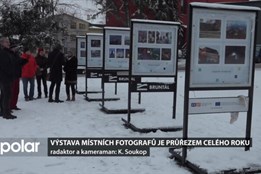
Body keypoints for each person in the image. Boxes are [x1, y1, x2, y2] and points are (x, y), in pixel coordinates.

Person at [0, 37, 17, 119]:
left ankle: (3, 111)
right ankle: (6, 113)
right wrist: (11, 72)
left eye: (8, 42)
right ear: (2, 43)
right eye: (6, 42)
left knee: (4, 94)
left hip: (7, 77)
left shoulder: (7, 52)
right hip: (5, 77)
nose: (8, 43)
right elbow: (5, 66)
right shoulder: (2, 52)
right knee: (7, 95)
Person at [9, 44, 28, 110]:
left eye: (15, 48)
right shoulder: (9, 55)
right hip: (11, 76)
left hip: (17, 75)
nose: (15, 49)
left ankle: (14, 105)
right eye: (13, 48)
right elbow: (14, 63)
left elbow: (19, 62)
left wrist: (24, 61)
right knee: (11, 91)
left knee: (16, 91)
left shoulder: (16, 55)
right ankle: (9, 105)